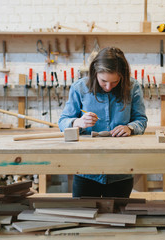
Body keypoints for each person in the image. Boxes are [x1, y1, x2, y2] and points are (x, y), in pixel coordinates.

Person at [58, 47, 148, 198]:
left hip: (121, 170)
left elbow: (141, 120)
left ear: (122, 76)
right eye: (103, 81)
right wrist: (77, 122)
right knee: (84, 216)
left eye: (114, 82)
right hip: (85, 170)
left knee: (117, 218)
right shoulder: (79, 88)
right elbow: (63, 122)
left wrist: (130, 128)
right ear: (95, 73)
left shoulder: (132, 87)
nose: (108, 87)